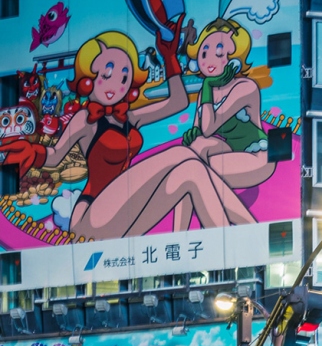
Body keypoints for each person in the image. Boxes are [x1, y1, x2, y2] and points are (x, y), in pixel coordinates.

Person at [0, 29, 254, 237]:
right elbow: (55, 156)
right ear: (89, 78)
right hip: (92, 217)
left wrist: (169, 58)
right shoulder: (86, 119)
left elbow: (177, 102)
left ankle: (246, 235)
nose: (115, 85)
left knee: (191, 171)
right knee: (181, 153)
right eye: (106, 75)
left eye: (124, 78)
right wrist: (31, 152)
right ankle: (233, 240)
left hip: (125, 214)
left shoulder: (129, 117)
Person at [177, 17, 273, 230]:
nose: (209, 60)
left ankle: (244, 227)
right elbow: (200, 132)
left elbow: (210, 126)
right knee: (194, 154)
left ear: (234, 60)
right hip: (227, 150)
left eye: (219, 53)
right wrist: (191, 135)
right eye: (204, 53)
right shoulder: (205, 92)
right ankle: (178, 237)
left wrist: (209, 85)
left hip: (257, 155)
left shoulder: (245, 87)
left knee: (193, 175)